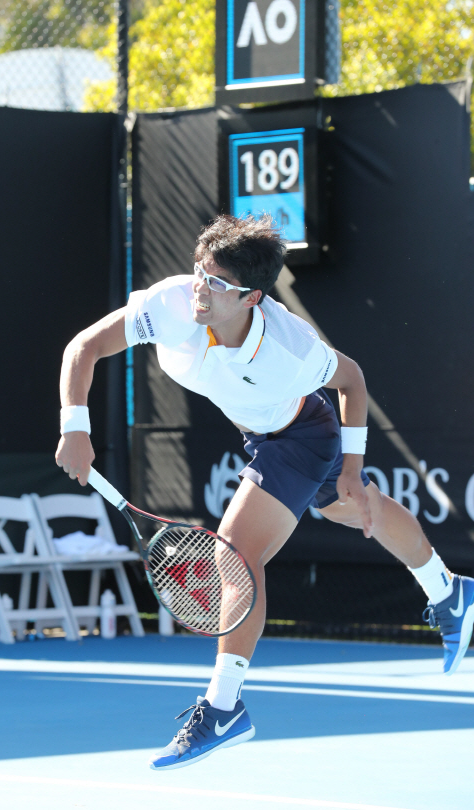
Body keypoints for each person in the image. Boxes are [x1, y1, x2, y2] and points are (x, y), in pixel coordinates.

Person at [56, 214, 474, 771]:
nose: (203, 289)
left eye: (220, 285)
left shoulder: (292, 346)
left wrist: (353, 462)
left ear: (253, 297)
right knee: (351, 512)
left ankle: (224, 709)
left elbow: (352, 381)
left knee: (236, 553)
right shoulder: (173, 305)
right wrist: (74, 427)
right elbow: (83, 349)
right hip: (261, 429)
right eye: (201, 273)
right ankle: (449, 591)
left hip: (303, 435)